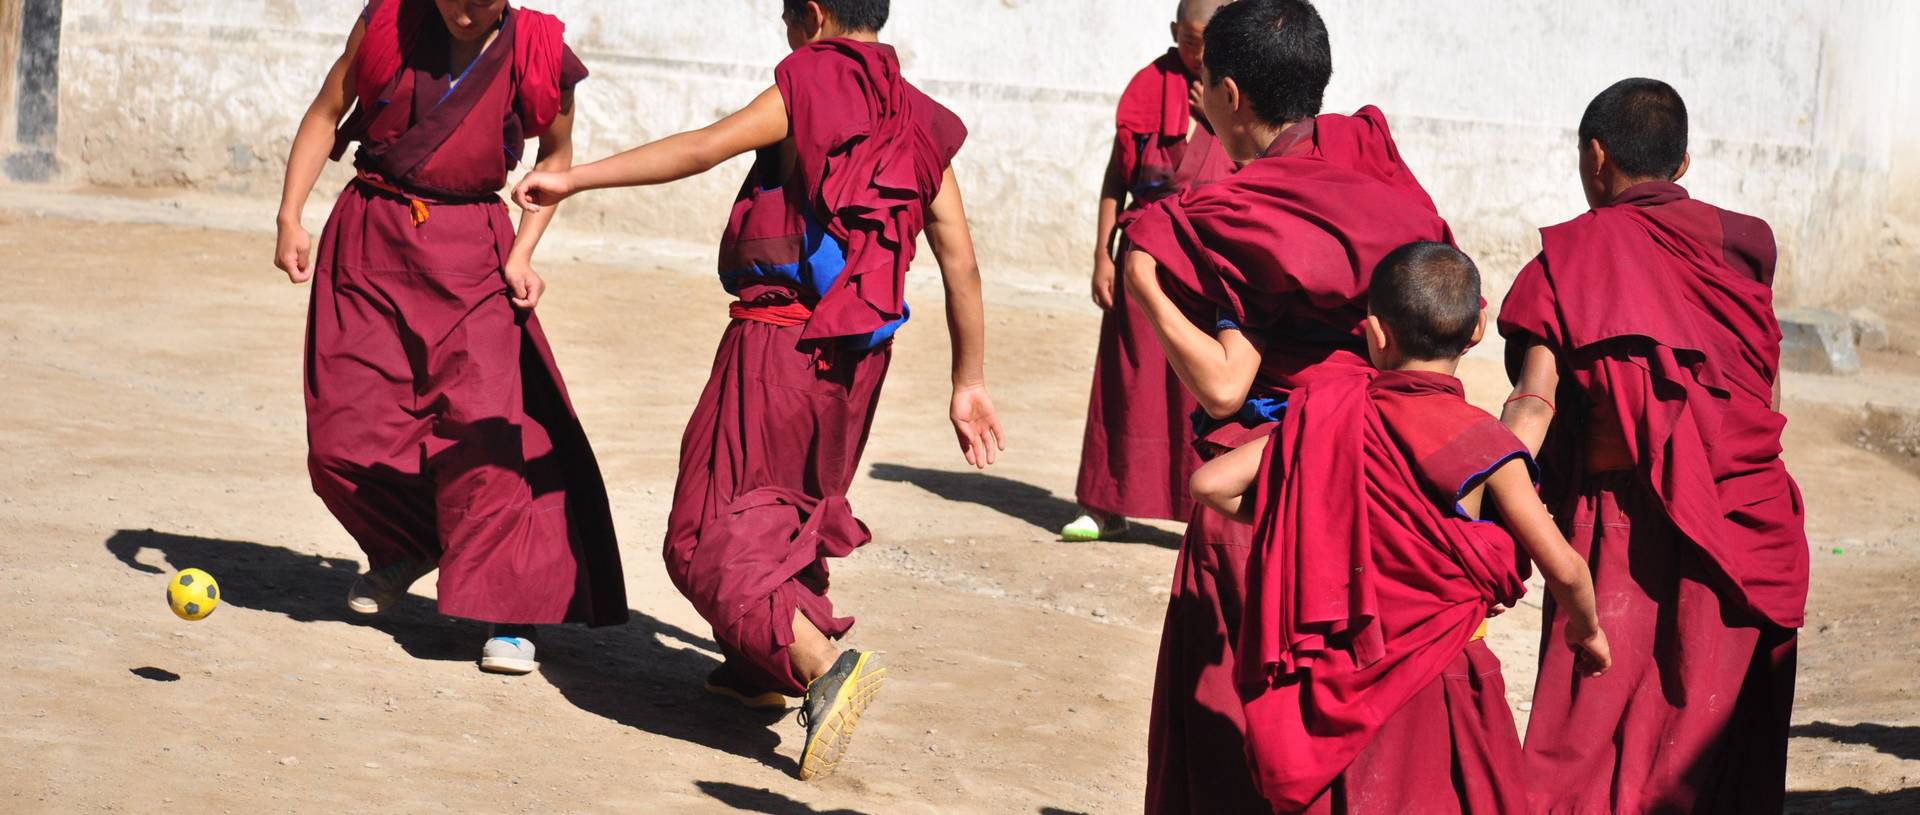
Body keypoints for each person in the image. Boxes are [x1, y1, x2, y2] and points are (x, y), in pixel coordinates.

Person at [510, 0, 1004, 781]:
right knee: (787, 512)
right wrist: (968, 380)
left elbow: (703, 147)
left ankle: (819, 666)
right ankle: (757, 668)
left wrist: (571, 178)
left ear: (810, 15)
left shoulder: (810, 79)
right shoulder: (922, 117)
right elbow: (962, 265)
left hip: (782, 343)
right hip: (860, 360)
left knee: (704, 532)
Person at [1116, 1, 1453, 810]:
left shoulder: (1244, 212)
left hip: (1282, 482)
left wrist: (1144, 286)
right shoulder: (1374, 163)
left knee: (1247, 713)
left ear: (1229, 94)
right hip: (1388, 472)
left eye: (1202, 88)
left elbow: (1227, 385)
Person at [1187, 242, 1611, 813]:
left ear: (1374, 334)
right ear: (1478, 329)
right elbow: (1564, 566)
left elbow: (1210, 485)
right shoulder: (1488, 445)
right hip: (1446, 675)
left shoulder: (1327, 415)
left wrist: (1304, 515)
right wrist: (1587, 631)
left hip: (1342, 682)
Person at [272, 0, 627, 676]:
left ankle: (512, 614)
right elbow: (327, 111)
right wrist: (291, 215)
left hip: (472, 250)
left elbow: (555, 157)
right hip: (371, 233)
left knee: (487, 428)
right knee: (343, 435)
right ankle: (411, 543)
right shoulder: (388, 23)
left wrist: (522, 253)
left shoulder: (539, 50)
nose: (465, 12)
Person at [1498, 78, 1809, 814]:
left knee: (1583, 754)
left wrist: (1472, 508)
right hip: (1742, 511)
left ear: (1595, 157)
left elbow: (1532, 409)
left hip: (1617, 537)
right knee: (1703, 750)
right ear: (1685, 164)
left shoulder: (1569, 261)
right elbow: (1761, 392)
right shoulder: (1744, 250)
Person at [1062, 0, 1237, 543]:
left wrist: (1214, 120)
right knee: (1126, 376)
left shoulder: (1239, 88)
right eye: (1187, 37)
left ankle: (1202, 510)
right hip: (1142, 253)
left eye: (1206, 38)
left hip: (1210, 262)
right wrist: (1101, 253)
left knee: (1200, 384)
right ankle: (1105, 501)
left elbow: (1262, 169)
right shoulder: (1147, 86)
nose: (1196, 50)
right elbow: (1118, 177)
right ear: (1173, 32)